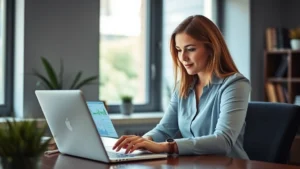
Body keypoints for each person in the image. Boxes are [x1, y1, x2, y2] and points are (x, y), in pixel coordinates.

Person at [113, 15, 251, 160]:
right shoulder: (183, 86)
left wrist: (166, 146)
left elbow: (223, 141)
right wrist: (143, 141)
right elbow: (165, 129)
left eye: (190, 49)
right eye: (178, 50)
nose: (183, 57)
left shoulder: (235, 84)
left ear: (211, 49)